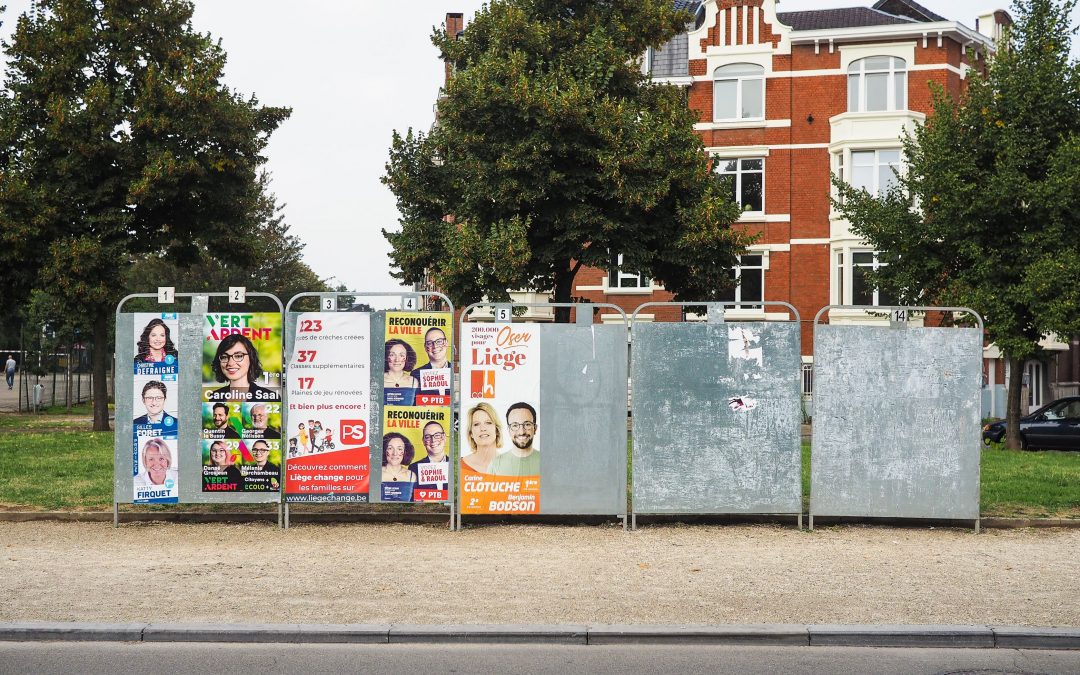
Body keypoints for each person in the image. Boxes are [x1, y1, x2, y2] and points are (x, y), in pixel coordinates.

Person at [207, 334, 277, 402]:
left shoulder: (271, 398)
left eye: (238, 356)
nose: (230, 363)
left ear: (251, 358)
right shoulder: (214, 397)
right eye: (224, 357)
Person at [489, 402, 540, 477]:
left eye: (527, 424)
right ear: (509, 430)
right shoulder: (495, 464)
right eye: (515, 425)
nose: (521, 432)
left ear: (535, 428)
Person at [461, 402, 502, 473]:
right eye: (476, 424)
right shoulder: (460, 465)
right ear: (471, 434)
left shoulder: (513, 466)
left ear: (497, 430)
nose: (483, 428)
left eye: (488, 423)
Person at [409, 421, 450, 491]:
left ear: (444, 437)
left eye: (437, 435)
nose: (433, 440)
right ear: (423, 441)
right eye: (428, 437)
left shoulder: (455, 465)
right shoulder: (414, 468)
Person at [410, 327, 451, 395]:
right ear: (426, 347)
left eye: (439, 341)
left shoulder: (456, 371)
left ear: (446, 343)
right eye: (429, 343)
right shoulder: (416, 375)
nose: (435, 346)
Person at [381, 433, 415, 501]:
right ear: (384, 450)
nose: (395, 453)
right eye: (390, 448)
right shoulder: (375, 473)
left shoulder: (411, 476)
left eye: (399, 449)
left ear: (405, 451)